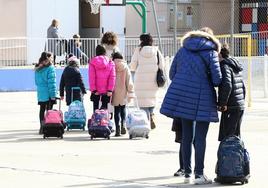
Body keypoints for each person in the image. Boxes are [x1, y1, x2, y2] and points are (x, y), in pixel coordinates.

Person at [160, 27, 222, 184]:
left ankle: (187, 173)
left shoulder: (182, 50)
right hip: (203, 98)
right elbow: (216, 79)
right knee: (201, 137)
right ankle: (199, 175)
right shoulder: (211, 53)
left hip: (182, 97)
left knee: (187, 137)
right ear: (210, 38)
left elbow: (172, 74)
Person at [129, 33, 165, 129]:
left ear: (141, 41)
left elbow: (132, 66)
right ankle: (152, 114)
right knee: (152, 98)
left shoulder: (138, 51)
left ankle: (146, 118)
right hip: (153, 79)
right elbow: (162, 65)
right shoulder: (156, 51)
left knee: (142, 100)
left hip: (140, 79)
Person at [217, 43, 246, 141]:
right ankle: (238, 156)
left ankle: (230, 156)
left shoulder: (224, 66)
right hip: (239, 105)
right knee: (235, 136)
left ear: (220, 54)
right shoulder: (234, 64)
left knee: (229, 137)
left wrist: (223, 103)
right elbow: (243, 86)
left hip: (231, 106)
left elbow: (227, 85)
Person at [111, 52, 135, 136]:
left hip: (114, 91)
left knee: (116, 110)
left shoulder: (111, 66)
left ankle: (117, 128)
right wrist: (131, 91)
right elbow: (129, 80)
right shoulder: (125, 67)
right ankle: (123, 125)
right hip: (123, 91)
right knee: (123, 108)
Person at [34, 52, 57, 134]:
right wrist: (53, 95)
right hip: (48, 92)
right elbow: (52, 83)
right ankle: (48, 127)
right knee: (49, 111)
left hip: (40, 92)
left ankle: (42, 127)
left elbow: (36, 82)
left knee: (42, 109)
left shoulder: (37, 68)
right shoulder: (50, 68)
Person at [89, 45, 116, 112]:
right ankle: (104, 121)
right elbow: (112, 77)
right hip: (106, 90)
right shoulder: (110, 62)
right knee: (104, 109)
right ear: (104, 52)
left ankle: (95, 121)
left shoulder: (93, 62)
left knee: (95, 108)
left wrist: (94, 89)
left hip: (96, 90)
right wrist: (110, 90)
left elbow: (91, 77)